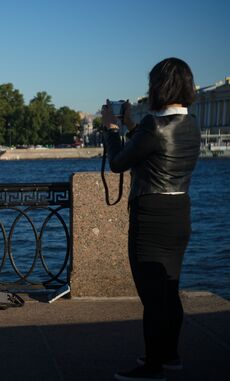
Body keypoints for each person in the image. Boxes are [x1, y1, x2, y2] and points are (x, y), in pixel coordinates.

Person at [102, 58, 200, 381]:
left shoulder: (153, 128)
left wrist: (111, 128)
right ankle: (170, 355)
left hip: (151, 217)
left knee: (151, 296)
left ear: (159, 87)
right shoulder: (193, 125)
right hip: (179, 214)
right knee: (170, 290)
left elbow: (117, 162)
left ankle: (152, 366)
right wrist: (133, 125)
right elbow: (154, 145)